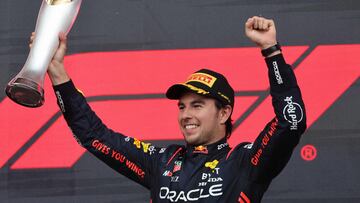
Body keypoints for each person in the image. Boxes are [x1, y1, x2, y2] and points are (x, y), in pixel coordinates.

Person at [32, 16, 306, 202]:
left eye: (197, 105)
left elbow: (291, 122)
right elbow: (94, 136)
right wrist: (57, 73)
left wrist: (271, 51)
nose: (186, 114)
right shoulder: (162, 161)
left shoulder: (246, 162)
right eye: (182, 106)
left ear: (224, 113)